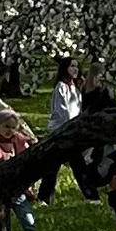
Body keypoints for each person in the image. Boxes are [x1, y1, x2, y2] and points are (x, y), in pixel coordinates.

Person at [37, 58, 82, 203]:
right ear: (65, 69)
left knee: (77, 165)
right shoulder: (61, 87)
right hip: (61, 131)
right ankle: (44, 197)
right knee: (53, 166)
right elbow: (62, 111)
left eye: (77, 67)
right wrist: (69, 128)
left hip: (72, 130)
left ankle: (90, 194)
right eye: (72, 66)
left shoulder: (75, 88)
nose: (75, 70)